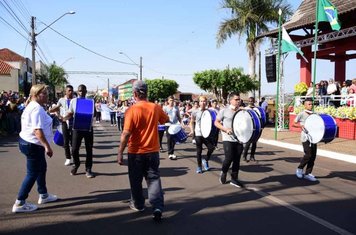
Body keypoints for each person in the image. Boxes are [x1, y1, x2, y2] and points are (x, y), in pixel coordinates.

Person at [117, 80, 169, 222]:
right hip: (152, 151)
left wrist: (120, 152)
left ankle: (139, 204)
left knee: (135, 180)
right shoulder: (155, 107)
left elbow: (126, 133)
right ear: (147, 92)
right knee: (153, 179)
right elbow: (165, 120)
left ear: (134, 94)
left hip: (135, 152)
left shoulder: (131, 110)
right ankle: (157, 207)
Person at [13, 84, 58, 213]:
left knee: (41, 168)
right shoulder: (36, 108)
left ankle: (43, 194)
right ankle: (20, 202)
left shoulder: (34, 106)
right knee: (32, 173)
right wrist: (47, 146)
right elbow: (37, 130)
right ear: (36, 95)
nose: (47, 96)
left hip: (30, 143)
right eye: (44, 93)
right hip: (33, 144)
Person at [61, 84, 95, 178]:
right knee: (74, 149)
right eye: (80, 90)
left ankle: (88, 169)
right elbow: (70, 113)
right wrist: (64, 118)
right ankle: (76, 164)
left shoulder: (90, 101)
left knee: (89, 150)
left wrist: (90, 111)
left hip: (88, 128)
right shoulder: (74, 101)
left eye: (83, 90)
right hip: (77, 128)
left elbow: (94, 114)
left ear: (86, 91)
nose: (81, 92)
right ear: (78, 91)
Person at [214, 93, 244, 188]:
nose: (238, 101)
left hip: (239, 138)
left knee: (237, 159)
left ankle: (234, 179)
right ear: (230, 100)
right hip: (228, 138)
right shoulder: (224, 111)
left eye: (239, 99)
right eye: (236, 99)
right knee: (229, 157)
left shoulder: (241, 111)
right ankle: (224, 171)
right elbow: (216, 122)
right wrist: (226, 129)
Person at [293, 98, 318, 182]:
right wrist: (301, 126)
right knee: (308, 154)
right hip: (305, 137)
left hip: (314, 138)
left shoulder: (314, 114)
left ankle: (308, 173)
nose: (311, 106)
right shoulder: (301, 114)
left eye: (311, 104)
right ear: (305, 105)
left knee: (313, 156)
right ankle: (299, 169)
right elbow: (293, 123)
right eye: (309, 104)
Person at [49, 85, 74, 166]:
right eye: (69, 90)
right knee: (66, 142)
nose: (71, 92)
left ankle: (74, 154)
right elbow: (57, 108)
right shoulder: (61, 100)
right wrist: (52, 111)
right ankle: (68, 158)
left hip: (74, 123)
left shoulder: (75, 100)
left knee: (74, 142)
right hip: (64, 123)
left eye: (72, 90)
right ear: (66, 92)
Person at [189, 96, 215, 173]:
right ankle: (199, 167)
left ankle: (206, 160)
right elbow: (191, 122)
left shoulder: (210, 112)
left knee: (211, 148)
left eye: (204, 101)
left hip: (207, 134)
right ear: (199, 102)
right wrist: (192, 130)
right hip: (198, 134)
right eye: (201, 101)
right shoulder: (195, 111)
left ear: (206, 102)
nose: (203, 103)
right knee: (199, 151)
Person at [163, 96, 181, 160]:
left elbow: (178, 116)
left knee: (173, 139)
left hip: (175, 125)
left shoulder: (176, 108)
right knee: (169, 139)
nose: (172, 101)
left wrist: (181, 124)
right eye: (170, 100)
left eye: (172, 100)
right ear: (168, 101)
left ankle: (172, 152)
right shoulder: (165, 108)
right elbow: (163, 116)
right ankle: (169, 153)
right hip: (168, 125)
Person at [242, 97, 258, 162]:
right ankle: (244, 156)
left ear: (254, 101)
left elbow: (259, 117)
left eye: (252, 101)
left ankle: (252, 156)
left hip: (255, 128)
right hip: (248, 128)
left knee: (254, 143)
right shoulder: (245, 109)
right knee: (248, 143)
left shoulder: (256, 109)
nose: (250, 102)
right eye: (249, 101)